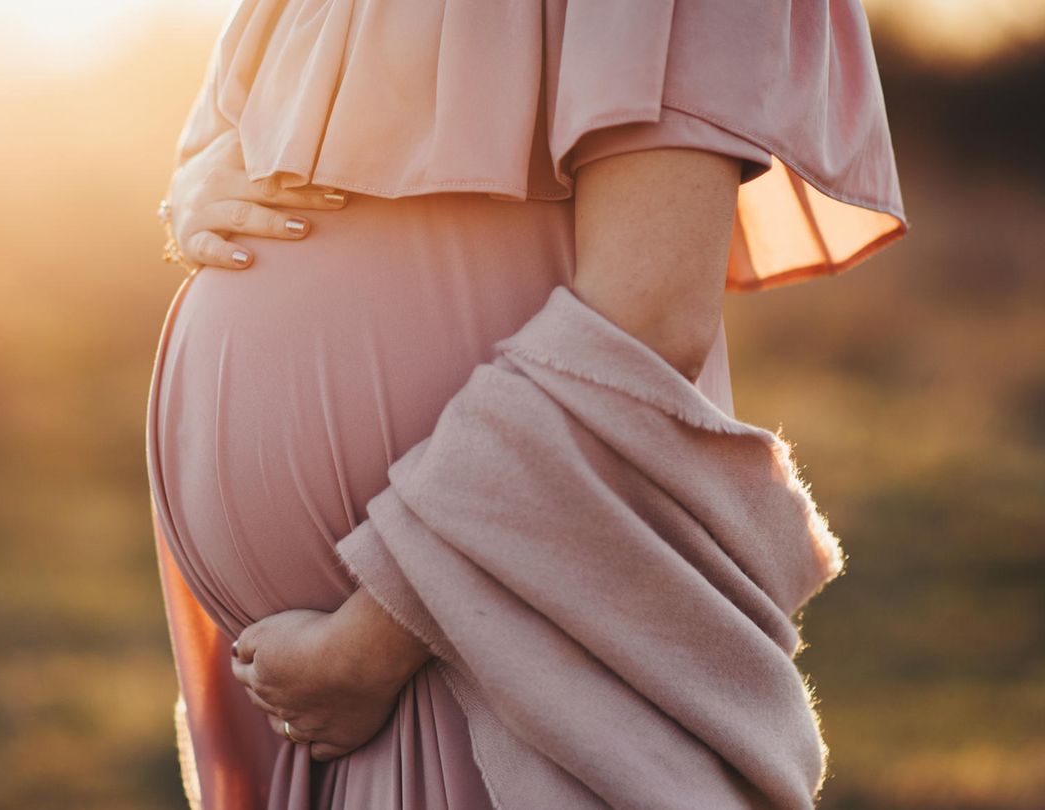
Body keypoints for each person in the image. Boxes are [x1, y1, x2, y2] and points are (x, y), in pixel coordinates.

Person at [145, 1, 907, 807]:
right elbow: (232, 129)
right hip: (312, 687)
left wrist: (366, 645)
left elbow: (643, 321)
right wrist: (196, 182)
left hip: (490, 662)